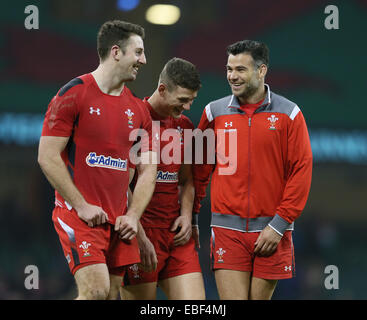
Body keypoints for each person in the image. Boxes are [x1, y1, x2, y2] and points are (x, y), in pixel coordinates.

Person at [37, 20, 157, 300]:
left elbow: (148, 170)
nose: (144, 60)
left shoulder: (139, 110)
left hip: (119, 223)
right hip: (79, 216)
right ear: (116, 52)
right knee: (96, 291)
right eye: (138, 52)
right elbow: (47, 156)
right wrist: (81, 205)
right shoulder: (73, 94)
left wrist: (134, 217)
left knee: (113, 295)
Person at [193, 40, 313, 300]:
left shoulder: (290, 114)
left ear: (261, 71)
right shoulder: (213, 113)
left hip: (272, 231)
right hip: (227, 231)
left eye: (240, 70)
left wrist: (279, 225)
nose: (232, 76)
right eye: (228, 69)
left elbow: (301, 172)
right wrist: (191, 217)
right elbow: (199, 171)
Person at [120, 57, 205, 300]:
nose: (187, 106)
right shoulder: (132, 120)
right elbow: (120, 186)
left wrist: (187, 215)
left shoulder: (185, 127)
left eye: (191, 100)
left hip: (176, 235)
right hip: (139, 234)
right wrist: (139, 235)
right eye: (182, 100)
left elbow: (187, 180)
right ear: (162, 89)